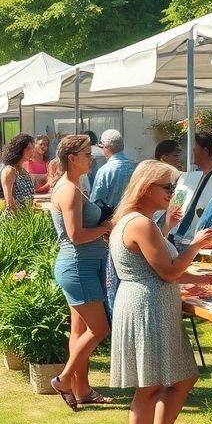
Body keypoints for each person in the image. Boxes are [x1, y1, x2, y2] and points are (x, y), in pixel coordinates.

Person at [109, 160, 212, 424]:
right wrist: (197, 246)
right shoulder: (140, 224)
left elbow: (161, 267)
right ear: (146, 189)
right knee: (149, 387)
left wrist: (194, 276)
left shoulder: (141, 221)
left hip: (151, 302)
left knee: (183, 376)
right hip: (147, 308)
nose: (172, 194)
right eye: (167, 188)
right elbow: (168, 271)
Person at [49, 135, 114, 409]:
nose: (92, 157)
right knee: (99, 329)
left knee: (80, 330)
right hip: (79, 266)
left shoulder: (74, 186)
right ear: (72, 158)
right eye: (87, 153)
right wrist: (107, 227)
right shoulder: (69, 190)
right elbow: (75, 235)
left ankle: (83, 389)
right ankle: (64, 380)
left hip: (82, 265)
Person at [92, 129, 136, 312]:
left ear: (106, 148)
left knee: (113, 276)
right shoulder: (136, 168)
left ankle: (115, 316)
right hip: (135, 224)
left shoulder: (105, 170)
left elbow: (96, 202)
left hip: (111, 227)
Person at [172, 133, 212, 241]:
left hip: (199, 234)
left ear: (205, 151)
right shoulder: (195, 174)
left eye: (194, 149)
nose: (191, 152)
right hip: (181, 234)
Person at [0, 134, 36, 215]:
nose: (32, 151)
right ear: (19, 149)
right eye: (29, 148)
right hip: (15, 219)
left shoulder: (23, 171)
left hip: (27, 216)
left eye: (33, 148)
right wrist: (22, 218)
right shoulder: (9, 170)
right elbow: (10, 202)